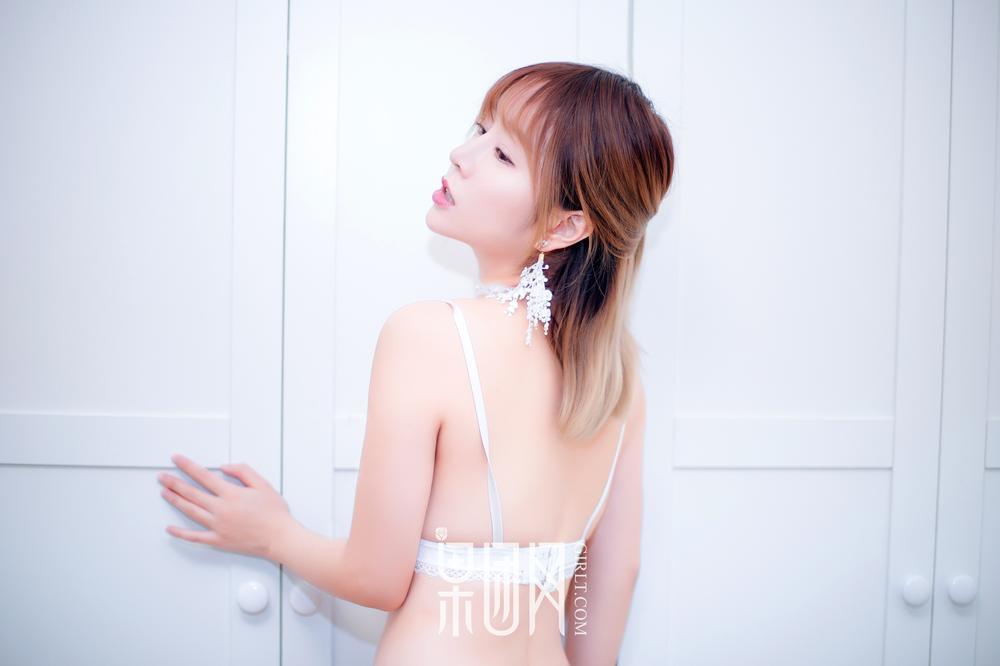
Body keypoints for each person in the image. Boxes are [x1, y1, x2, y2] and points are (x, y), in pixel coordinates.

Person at [158, 61, 673, 666]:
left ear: (565, 225)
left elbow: (377, 577)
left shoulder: (428, 335)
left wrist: (273, 533)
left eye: (503, 155)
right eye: (480, 129)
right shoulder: (619, 382)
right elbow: (613, 574)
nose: (462, 155)